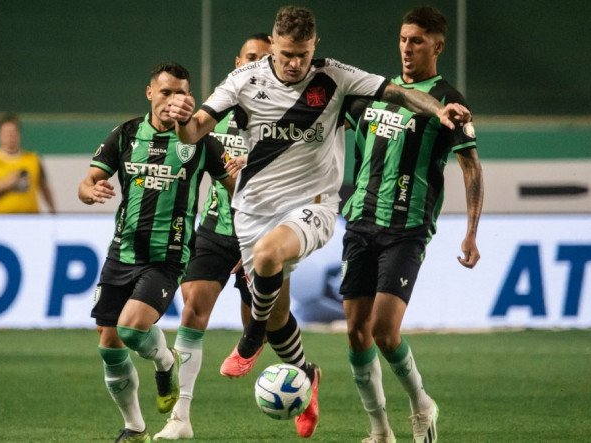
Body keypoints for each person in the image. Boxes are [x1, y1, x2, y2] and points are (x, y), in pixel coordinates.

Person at [167, 5, 471, 439]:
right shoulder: (244, 80)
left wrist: (438, 111)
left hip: (313, 206)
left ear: (316, 47)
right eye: (288, 54)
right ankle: (306, 376)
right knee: (279, 317)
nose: (295, 64)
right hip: (252, 211)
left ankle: (250, 337)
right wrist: (181, 119)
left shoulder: (335, 76)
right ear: (272, 46)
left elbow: (400, 93)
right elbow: (194, 131)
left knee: (270, 260)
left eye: (304, 54)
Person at [340, 7, 484, 443]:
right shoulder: (377, 92)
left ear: (438, 46)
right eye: (403, 39)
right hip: (360, 221)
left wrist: (472, 231)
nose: (406, 48)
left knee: (384, 331)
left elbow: (471, 168)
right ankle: (380, 430)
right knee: (355, 332)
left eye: (417, 41)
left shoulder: (449, 100)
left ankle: (421, 404)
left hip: (407, 227)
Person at [77, 62, 236, 443]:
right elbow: (88, 182)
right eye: (165, 92)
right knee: (108, 342)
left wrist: (242, 182)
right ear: (150, 93)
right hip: (123, 251)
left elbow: (237, 187)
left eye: (181, 93)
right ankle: (135, 427)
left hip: (168, 256)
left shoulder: (199, 142)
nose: (172, 100)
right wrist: (90, 191)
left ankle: (165, 361)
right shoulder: (127, 134)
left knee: (131, 328)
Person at [153, 33, 273, 441]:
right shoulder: (216, 110)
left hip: (260, 232)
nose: (257, 65)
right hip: (214, 229)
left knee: (265, 324)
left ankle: (303, 374)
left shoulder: (281, 116)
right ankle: (181, 418)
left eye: (265, 59)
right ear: (237, 61)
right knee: (192, 310)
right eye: (251, 58)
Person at [0, 113, 56, 214]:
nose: (10, 137)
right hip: (0, 220)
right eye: (6, 133)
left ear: (19, 134)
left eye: (13, 132)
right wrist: (8, 183)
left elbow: (44, 188)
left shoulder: (33, 159)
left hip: (30, 219)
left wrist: (53, 211)